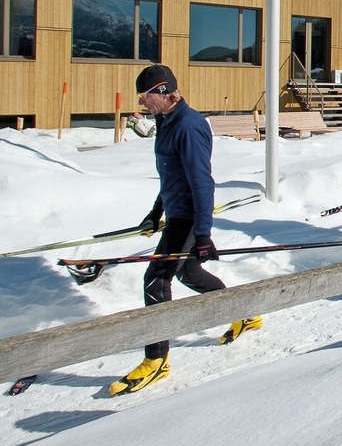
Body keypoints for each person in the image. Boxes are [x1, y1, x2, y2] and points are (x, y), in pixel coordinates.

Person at [109, 64, 261, 396]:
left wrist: (203, 233)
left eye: (146, 97)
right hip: (176, 212)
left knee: (155, 280)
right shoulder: (166, 122)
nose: (143, 104)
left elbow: (201, 183)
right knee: (189, 272)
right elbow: (171, 176)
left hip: (188, 218)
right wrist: (155, 212)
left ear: (164, 93)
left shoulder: (189, 127)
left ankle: (156, 360)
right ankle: (244, 314)